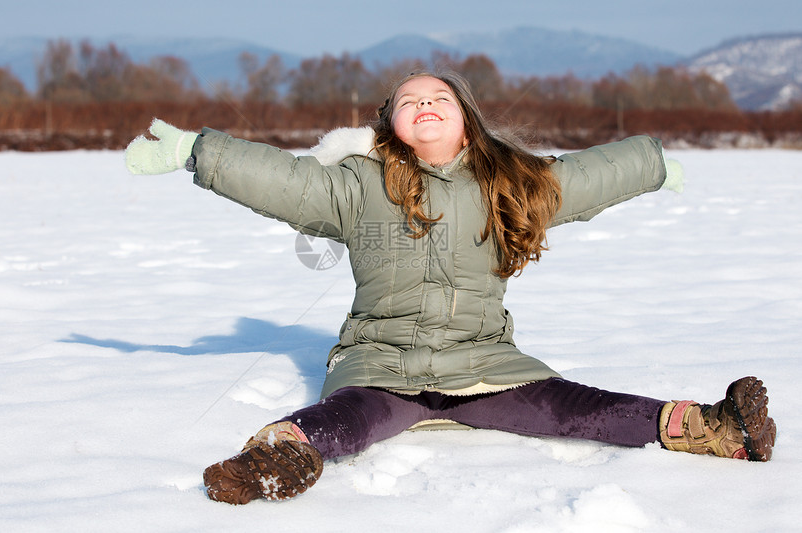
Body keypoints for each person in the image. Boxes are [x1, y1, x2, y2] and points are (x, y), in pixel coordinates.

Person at [125, 71, 777, 505]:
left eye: (439, 97)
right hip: (382, 364)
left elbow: (582, 179)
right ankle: (277, 454)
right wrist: (196, 151)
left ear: (467, 120)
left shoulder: (509, 184)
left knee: (578, 407)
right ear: (389, 127)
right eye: (410, 101)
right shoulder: (356, 185)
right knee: (348, 419)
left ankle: (711, 428)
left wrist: (653, 162)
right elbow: (282, 181)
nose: (425, 104)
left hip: (485, 363)